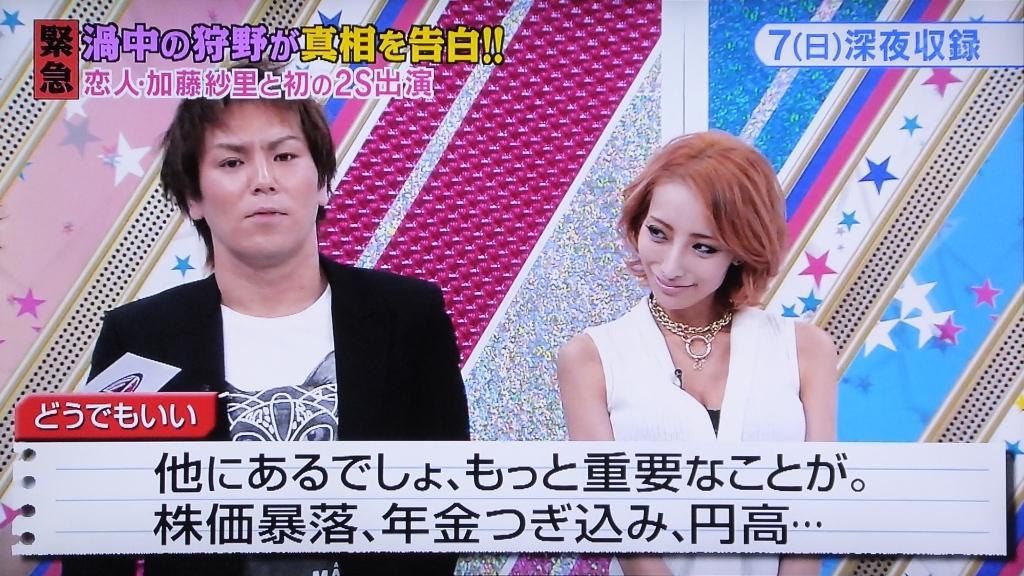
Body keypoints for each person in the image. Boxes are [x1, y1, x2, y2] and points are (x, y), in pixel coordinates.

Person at [62, 65, 470, 576]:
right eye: (232, 162)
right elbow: (96, 537)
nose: (263, 180)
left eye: (284, 156)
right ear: (193, 197)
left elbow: (444, 501)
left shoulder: (408, 317)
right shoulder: (141, 338)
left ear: (321, 183)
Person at [556, 131, 837, 576]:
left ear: (740, 251)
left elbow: (814, 512)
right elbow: (618, 524)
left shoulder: (805, 351)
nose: (670, 267)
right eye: (658, 233)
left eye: (703, 247)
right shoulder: (590, 359)